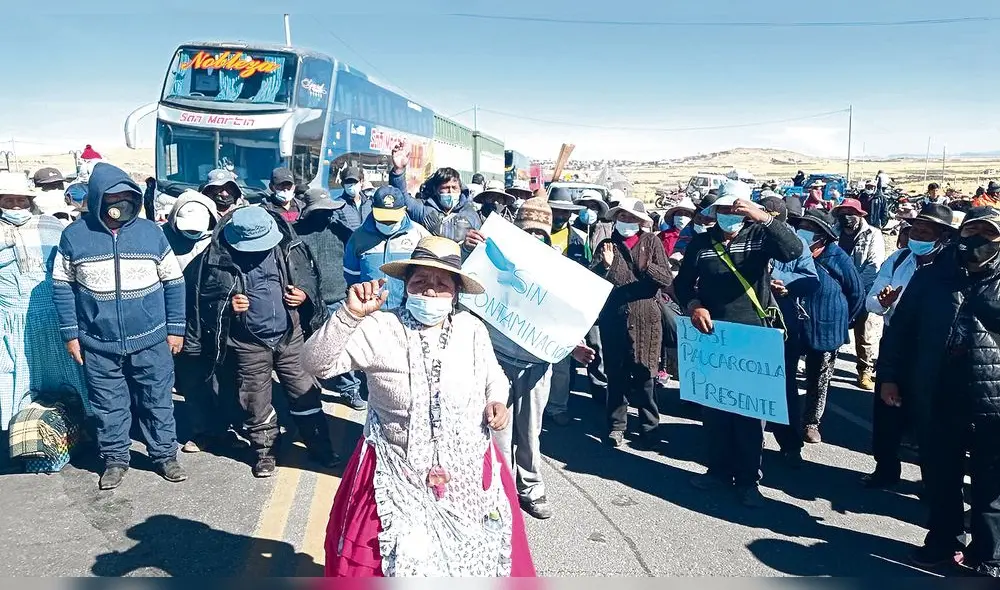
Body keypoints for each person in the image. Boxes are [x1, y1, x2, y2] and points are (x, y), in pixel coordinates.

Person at [302, 236, 535, 577]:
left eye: (442, 285)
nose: (429, 291)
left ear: (456, 293)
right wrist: (349, 316)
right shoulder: (380, 328)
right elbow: (315, 364)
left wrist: (496, 400)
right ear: (406, 285)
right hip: (396, 473)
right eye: (420, 281)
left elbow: (494, 377)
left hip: (469, 472)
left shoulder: (471, 329)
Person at [877, 207, 1000, 577]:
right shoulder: (932, 276)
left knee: (991, 483)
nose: (977, 241)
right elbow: (900, 330)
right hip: (937, 392)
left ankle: (988, 555)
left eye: (988, 234)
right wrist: (889, 376)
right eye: (971, 231)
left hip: (992, 399)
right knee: (940, 475)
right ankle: (943, 542)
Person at [51, 162, 187, 490]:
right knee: (108, 405)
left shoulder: (151, 233)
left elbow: (174, 282)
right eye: (111, 197)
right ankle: (114, 459)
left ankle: (165, 455)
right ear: (98, 197)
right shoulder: (74, 236)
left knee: (157, 400)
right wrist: (71, 335)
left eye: (126, 196)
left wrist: (176, 329)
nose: (119, 203)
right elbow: (62, 287)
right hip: (98, 342)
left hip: (151, 339)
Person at [674, 180, 803, 507]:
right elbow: (683, 284)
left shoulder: (760, 237)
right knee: (715, 410)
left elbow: (794, 250)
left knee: (749, 415)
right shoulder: (701, 243)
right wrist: (693, 305)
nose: (729, 214)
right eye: (723, 208)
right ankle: (717, 471)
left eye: (736, 208)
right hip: (712, 337)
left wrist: (764, 217)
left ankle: (748, 480)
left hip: (752, 337)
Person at [186, 206, 336, 477]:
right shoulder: (214, 258)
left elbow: (311, 280)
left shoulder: (289, 247)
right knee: (255, 401)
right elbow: (200, 301)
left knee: (304, 393)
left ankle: (320, 447)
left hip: (290, 337)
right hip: (247, 344)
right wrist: (227, 306)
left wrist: (303, 295)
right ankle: (264, 453)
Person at [480, 197, 594, 520]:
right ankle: (500, 489)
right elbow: (469, 285)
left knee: (530, 432)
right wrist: (469, 250)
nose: (533, 237)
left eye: (539, 233)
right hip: (498, 359)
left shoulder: (559, 271)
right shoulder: (495, 256)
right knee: (498, 430)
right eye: (527, 230)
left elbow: (565, 317)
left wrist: (575, 346)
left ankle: (530, 487)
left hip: (536, 365)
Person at [861, 203, 954, 489]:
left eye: (925, 233)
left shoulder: (951, 266)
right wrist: (883, 302)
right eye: (915, 230)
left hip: (934, 349)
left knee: (929, 417)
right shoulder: (899, 259)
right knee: (887, 411)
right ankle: (885, 470)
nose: (918, 236)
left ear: (942, 236)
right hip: (896, 343)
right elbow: (872, 301)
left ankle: (931, 482)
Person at [0, 172, 89, 430]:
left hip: (52, 316)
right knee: (17, 377)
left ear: (30, 201)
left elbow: (68, 266)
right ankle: (19, 433)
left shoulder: (50, 225)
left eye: (21, 200)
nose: (16, 206)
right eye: (8, 201)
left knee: (68, 374)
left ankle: (78, 428)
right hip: (12, 321)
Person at [593, 197, 672, 450]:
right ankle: (617, 425)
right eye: (622, 216)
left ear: (640, 221)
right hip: (614, 318)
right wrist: (606, 266)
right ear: (616, 218)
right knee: (615, 375)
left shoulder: (651, 242)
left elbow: (665, 278)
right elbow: (594, 281)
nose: (626, 221)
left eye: (632, 217)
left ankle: (650, 426)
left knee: (645, 376)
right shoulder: (607, 244)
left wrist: (646, 266)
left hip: (646, 319)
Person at [789, 209, 864, 444]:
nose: (804, 232)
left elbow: (856, 294)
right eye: (803, 227)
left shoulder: (838, 258)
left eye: (811, 229)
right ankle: (785, 417)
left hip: (826, 329)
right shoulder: (791, 252)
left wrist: (841, 322)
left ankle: (811, 422)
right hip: (793, 326)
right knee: (786, 373)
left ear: (824, 236)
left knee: (819, 379)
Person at [161, 190, 226, 453]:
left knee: (222, 379)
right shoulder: (162, 240)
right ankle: (202, 431)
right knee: (191, 380)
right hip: (181, 322)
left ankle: (227, 427)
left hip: (215, 320)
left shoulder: (220, 240)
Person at [764, 195, 820, 467]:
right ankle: (751, 438)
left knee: (783, 386)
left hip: (782, 324)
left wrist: (784, 283)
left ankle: (790, 443)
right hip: (749, 322)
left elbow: (811, 279)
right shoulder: (747, 239)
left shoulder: (797, 243)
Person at [542, 187, 589, 426]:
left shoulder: (579, 238)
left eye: (565, 212)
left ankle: (557, 406)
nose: (561, 216)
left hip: (564, 306)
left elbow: (587, 274)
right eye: (556, 211)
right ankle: (531, 406)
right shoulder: (534, 233)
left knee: (561, 362)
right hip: (536, 302)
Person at [344, 185, 430, 312]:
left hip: (409, 311)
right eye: (383, 219)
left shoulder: (419, 235)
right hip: (370, 312)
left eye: (392, 220)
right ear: (373, 209)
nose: (388, 224)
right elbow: (351, 277)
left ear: (404, 210)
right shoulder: (358, 237)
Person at [831, 198, 886, 390]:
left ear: (860, 215)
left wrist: (854, 288)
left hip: (863, 290)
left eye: (851, 213)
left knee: (865, 334)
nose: (846, 217)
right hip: (836, 290)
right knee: (833, 330)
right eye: (842, 213)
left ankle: (865, 371)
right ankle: (826, 366)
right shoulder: (833, 232)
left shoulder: (873, 234)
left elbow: (874, 265)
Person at [389, 143, 482, 243]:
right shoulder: (423, 209)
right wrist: (398, 171)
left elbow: (480, 241)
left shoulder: (471, 214)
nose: (450, 192)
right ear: (436, 189)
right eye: (445, 188)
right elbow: (401, 199)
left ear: (461, 189)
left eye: (454, 188)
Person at [674, 192, 719, 257]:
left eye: (708, 220)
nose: (703, 221)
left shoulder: (720, 237)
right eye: (699, 218)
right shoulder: (686, 231)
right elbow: (677, 250)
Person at [328, 166, 372, 232]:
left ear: (361, 182)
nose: (351, 184)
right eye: (348, 182)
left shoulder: (370, 204)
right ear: (343, 184)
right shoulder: (336, 205)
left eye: (355, 181)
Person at [572, 189, 613, 256]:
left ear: (599, 210)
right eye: (584, 206)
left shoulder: (608, 231)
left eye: (593, 207)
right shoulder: (571, 230)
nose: (588, 210)